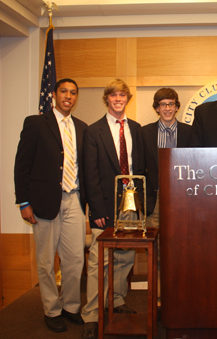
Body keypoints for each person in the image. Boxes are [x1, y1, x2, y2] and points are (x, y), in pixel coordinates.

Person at [14, 78, 87, 332]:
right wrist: (24, 201)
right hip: (44, 202)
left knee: (76, 259)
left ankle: (70, 307)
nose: (68, 96)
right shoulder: (35, 123)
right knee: (46, 262)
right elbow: (22, 165)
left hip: (75, 200)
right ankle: (52, 310)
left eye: (73, 92)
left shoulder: (81, 127)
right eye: (64, 91)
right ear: (54, 95)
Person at [81, 79, 141, 339]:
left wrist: (143, 204)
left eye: (122, 95)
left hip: (132, 203)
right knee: (98, 260)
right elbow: (89, 173)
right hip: (104, 205)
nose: (118, 99)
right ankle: (92, 313)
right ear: (106, 99)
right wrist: (96, 209)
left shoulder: (137, 129)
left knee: (126, 255)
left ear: (127, 98)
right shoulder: (93, 131)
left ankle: (116, 300)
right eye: (113, 95)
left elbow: (143, 168)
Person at [138, 87, 191, 228]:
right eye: (162, 104)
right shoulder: (144, 133)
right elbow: (139, 169)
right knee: (154, 245)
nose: (167, 108)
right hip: (154, 200)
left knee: (181, 239)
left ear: (177, 107)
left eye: (171, 104)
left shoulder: (190, 132)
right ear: (156, 108)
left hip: (183, 197)